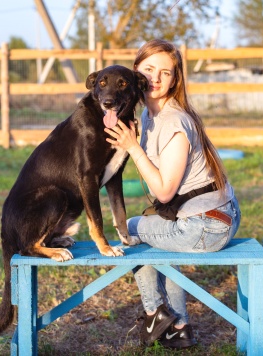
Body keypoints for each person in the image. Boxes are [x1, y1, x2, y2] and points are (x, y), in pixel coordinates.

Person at [104, 39, 241, 349]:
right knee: (154, 231)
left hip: (206, 225)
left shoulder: (174, 121)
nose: (156, 78)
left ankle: (155, 313)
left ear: (175, 79)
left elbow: (164, 192)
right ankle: (178, 325)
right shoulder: (151, 115)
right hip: (211, 216)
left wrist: (133, 148)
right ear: (135, 72)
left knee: (133, 228)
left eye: (166, 72)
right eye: (149, 69)